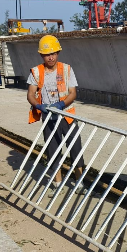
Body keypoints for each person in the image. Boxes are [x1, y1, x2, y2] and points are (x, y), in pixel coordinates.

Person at [27, 34, 84, 187]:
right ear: (41, 55)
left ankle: (79, 183)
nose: (50, 57)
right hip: (49, 118)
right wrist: (38, 106)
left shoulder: (67, 69)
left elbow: (73, 93)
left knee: (75, 148)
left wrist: (61, 104)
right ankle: (58, 183)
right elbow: (30, 94)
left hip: (67, 116)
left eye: (53, 54)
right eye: (47, 55)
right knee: (53, 150)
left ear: (58, 53)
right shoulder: (36, 72)